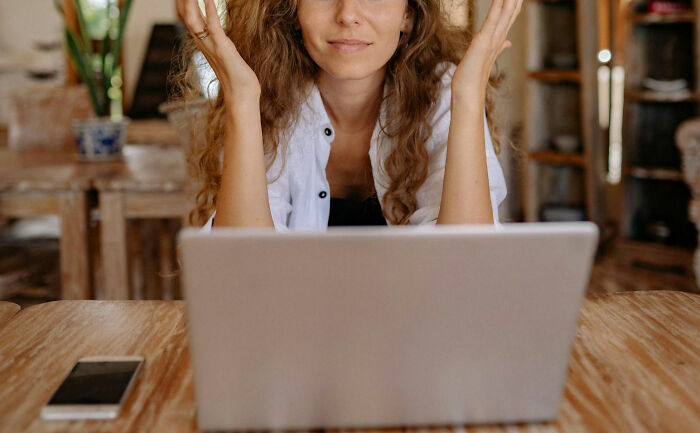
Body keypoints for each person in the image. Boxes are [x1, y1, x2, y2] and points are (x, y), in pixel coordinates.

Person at [174, 0, 522, 231]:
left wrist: (468, 97)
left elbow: (466, 270)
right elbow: (242, 273)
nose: (348, 14)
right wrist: (242, 99)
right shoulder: (266, 99)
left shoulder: (442, 91)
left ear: (408, 13)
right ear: (294, 9)